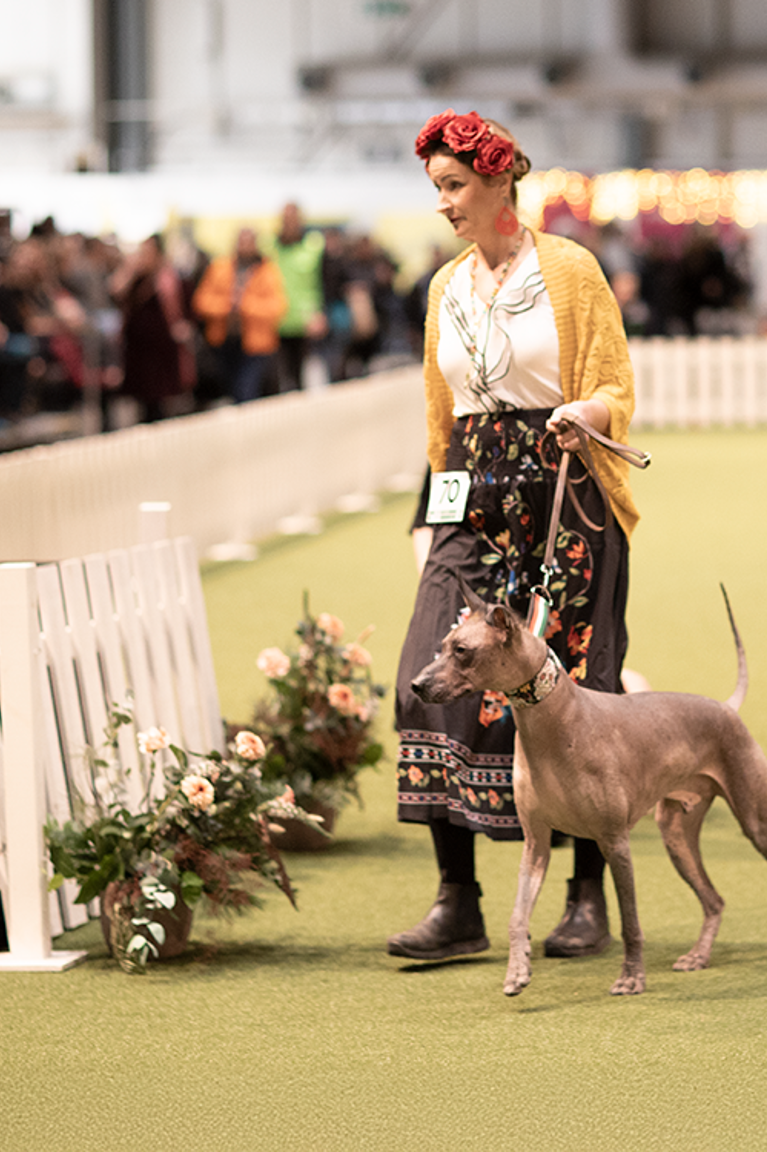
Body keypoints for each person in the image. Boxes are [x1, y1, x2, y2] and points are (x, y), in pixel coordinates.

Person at [389, 110, 639, 961]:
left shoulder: (570, 271)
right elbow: (440, 416)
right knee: (424, 673)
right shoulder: (444, 288)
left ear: (500, 180)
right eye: (438, 190)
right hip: (469, 499)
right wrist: (433, 516)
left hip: (565, 496)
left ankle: (584, 898)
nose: (445, 204)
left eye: (454, 186)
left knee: (574, 694)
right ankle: (457, 901)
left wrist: (586, 413)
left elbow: (613, 382)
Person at [192, 227, 287, 403]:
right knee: (230, 390)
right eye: (241, 241)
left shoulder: (267, 270)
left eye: (248, 241)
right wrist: (226, 306)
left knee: (246, 392)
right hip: (224, 341)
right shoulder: (220, 267)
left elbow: (277, 306)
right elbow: (201, 301)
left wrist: (246, 306)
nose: (244, 246)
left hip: (255, 345)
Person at [110, 234, 195, 424]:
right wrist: (129, 268)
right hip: (137, 350)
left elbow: (186, 310)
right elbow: (115, 291)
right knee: (142, 403)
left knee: (161, 401)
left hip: (162, 349)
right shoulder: (135, 278)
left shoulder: (170, 279)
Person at [271, 203, 328, 393]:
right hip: (275, 318)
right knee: (278, 377)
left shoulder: (315, 244)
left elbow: (326, 280)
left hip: (306, 320)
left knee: (305, 375)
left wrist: (321, 313)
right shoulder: (269, 245)